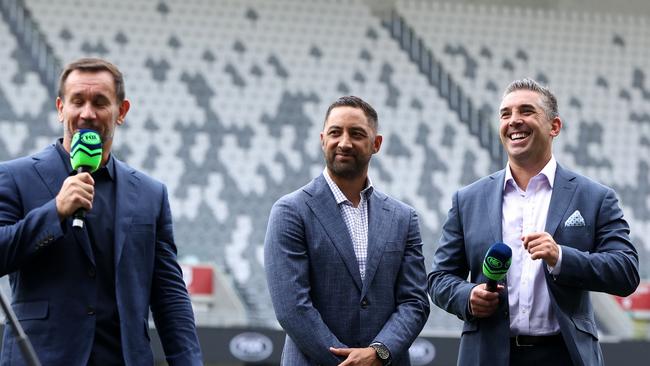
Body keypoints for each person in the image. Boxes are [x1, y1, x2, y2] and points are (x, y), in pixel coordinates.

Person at [0, 58, 202, 365]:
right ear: (60, 108)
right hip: (41, 358)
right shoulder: (15, 177)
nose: (87, 113)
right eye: (77, 101)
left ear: (121, 112)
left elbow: (170, 296)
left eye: (100, 102)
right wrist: (54, 211)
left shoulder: (151, 194)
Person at [429, 78, 639, 366]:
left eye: (526, 111)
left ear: (554, 127)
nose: (514, 121)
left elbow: (625, 272)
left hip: (564, 355)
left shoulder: (595, 197)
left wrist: (561, 257)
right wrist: (467, 296)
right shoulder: (467, 199)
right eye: (506, 114)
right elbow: (439, 279)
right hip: (487, 355)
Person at [264, 96, 430, 365]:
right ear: (322, 139)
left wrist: (378, 352)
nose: (344, 142)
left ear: (376, 144)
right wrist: (348, 363)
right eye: (335, 132)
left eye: (356, 133)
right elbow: (292, 308)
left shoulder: (403, 217)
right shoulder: (290, 211)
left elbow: (415, 302)